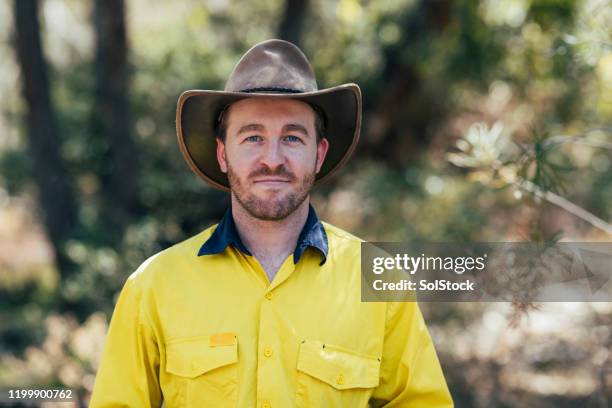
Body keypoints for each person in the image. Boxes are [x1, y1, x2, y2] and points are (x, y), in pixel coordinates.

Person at [89, 39, 453, 408]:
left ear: (319, 154)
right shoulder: (154, 286)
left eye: (293, 137)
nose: (272, 159)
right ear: (223, 153)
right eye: (253, 137)